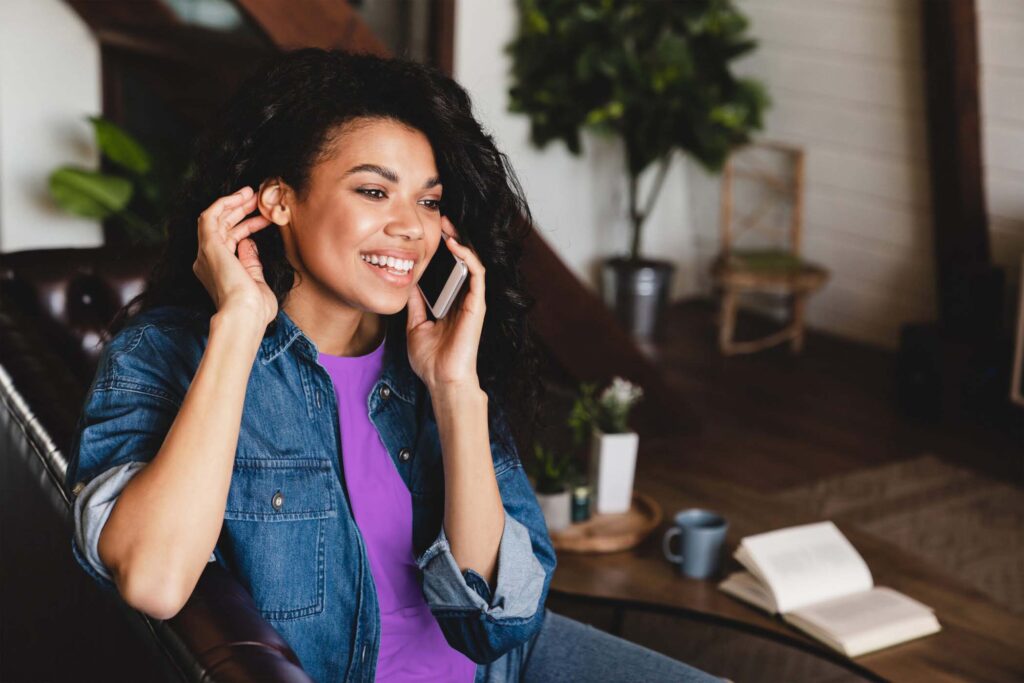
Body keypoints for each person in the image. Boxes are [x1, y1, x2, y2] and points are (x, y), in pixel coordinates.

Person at [65, 49, 724, 683]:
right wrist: (239, 324)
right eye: (375, 191)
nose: (412, 227)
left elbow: (499, 620)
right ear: (278, 201)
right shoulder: (163, 353)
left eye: (429, 201)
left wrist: (455, 389)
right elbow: (153, 579)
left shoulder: (429, 353)